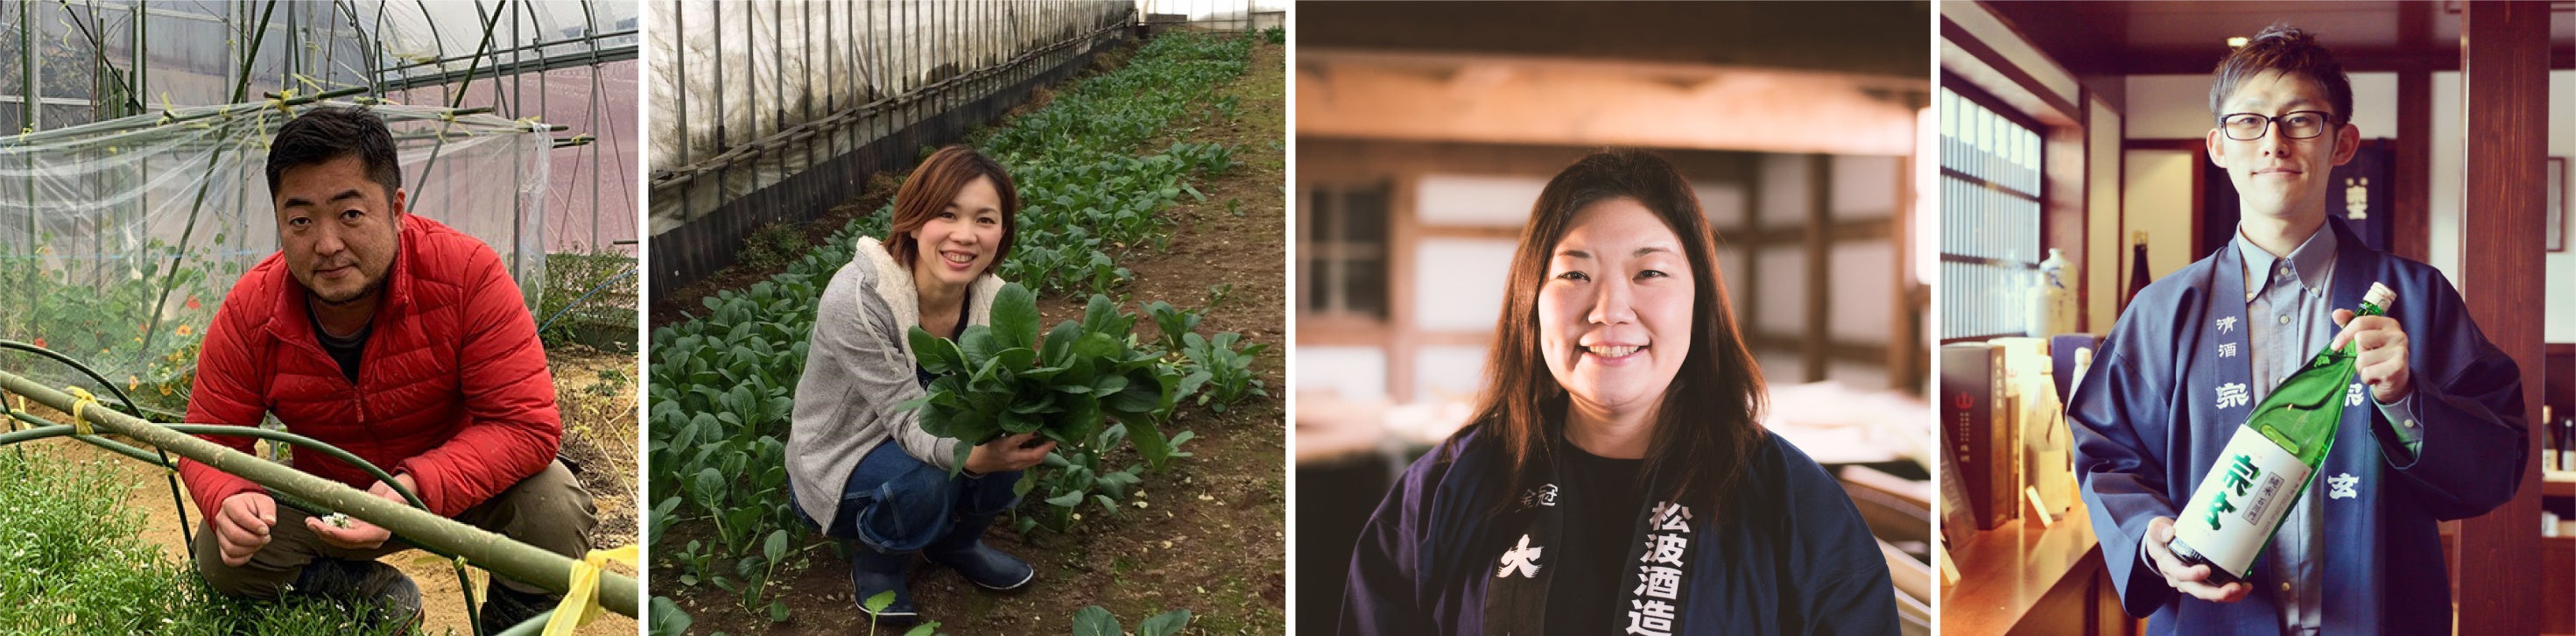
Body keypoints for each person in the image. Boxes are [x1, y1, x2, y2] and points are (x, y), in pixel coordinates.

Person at [2068, 25, 2525, 634]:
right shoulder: (2161, 311)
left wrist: (2405, 398)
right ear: (2218, 146)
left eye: (2301, 120)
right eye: (2248, 122)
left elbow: (2497, 461)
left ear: (2342, 143)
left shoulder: (2416, 299)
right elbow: (2107, 460)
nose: (2274, 143)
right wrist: (2153, 538)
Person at [1338, 149, 1897, 634]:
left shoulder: (1796, 504)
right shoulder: (1437, 494)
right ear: (1530, 306)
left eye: (1649, 273)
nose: (1609, 311)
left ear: (1699, 303)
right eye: (1574, 275)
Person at [183, 106, 597, 633]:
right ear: (281, 222)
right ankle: (371, 595)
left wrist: (412, 488)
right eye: (301, 220)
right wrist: (228, 497)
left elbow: (526, 426)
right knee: (222, 555)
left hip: (454, 492)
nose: (327, 244)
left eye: (350, 214)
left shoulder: (467, 274)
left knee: (553, 508)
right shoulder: (252, 310)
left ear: (396, 209)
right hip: (332, 501)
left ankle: (513, 621)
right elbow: (206, 438)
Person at [786, 145, 1057, 625]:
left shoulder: (994, 300)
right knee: (927, 475)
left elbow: (1004, 398)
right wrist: (974, 458)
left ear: (1003, 231)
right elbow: (906, 417)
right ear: (913, 219)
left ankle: (956, 544)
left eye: (985, 220)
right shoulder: (858, 297)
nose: (965, 235)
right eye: (947, 215)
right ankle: (879, 566)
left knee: (1018, 435)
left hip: (928, 433)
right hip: (843, 461)